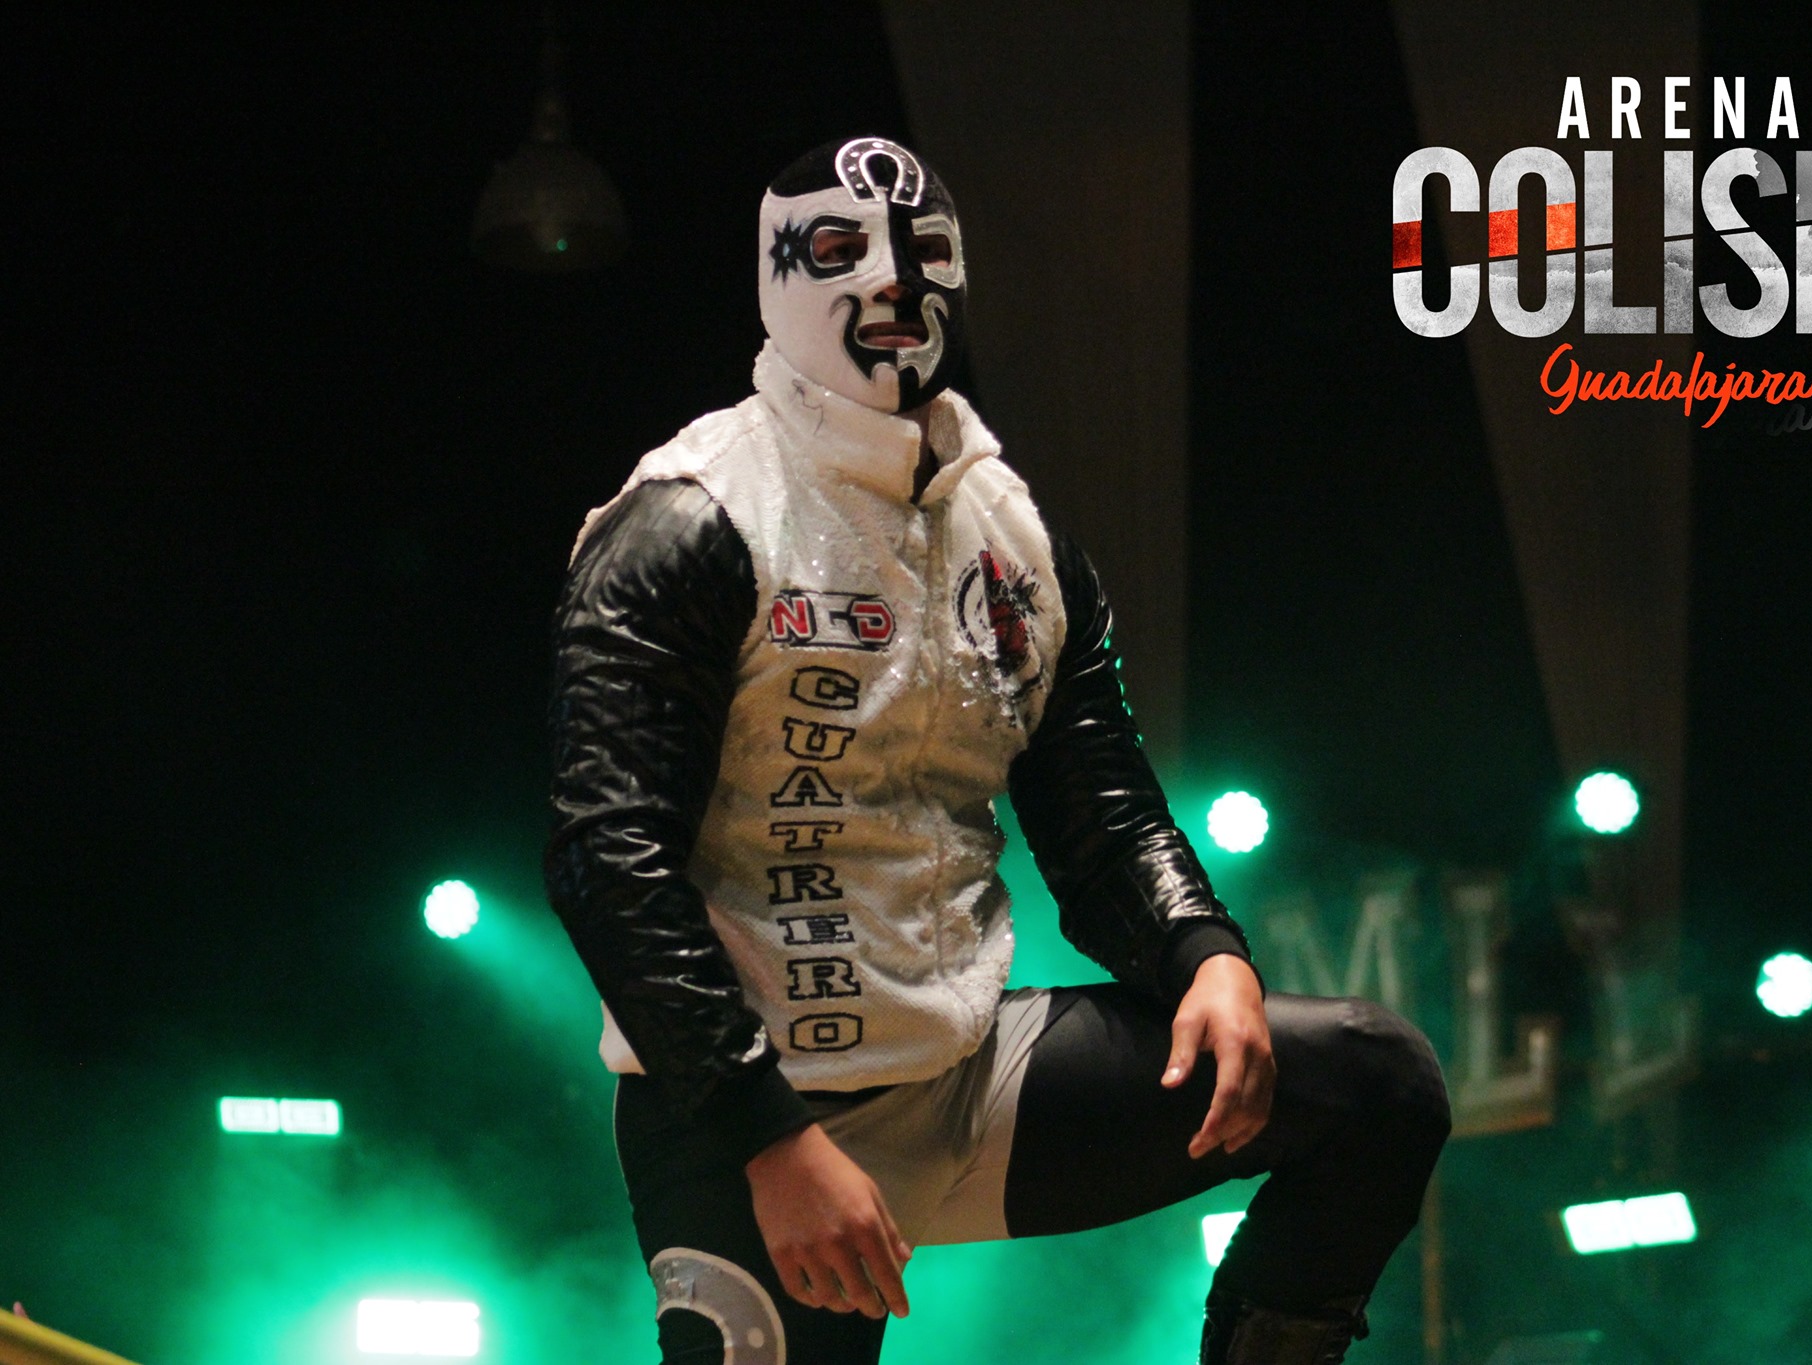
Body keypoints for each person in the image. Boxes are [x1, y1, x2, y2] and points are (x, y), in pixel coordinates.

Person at [544, 136, 1450, 1365]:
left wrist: (1204, 955)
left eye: (923, 250)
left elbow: (1103, 811)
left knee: (1375, 1082)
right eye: (840, 248)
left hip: (967, 1071)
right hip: (749, 1112)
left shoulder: (1011, 533)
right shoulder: (687, 518)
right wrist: (765, 1134)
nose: (891, 280)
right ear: (775, 273)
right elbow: (607, 859)